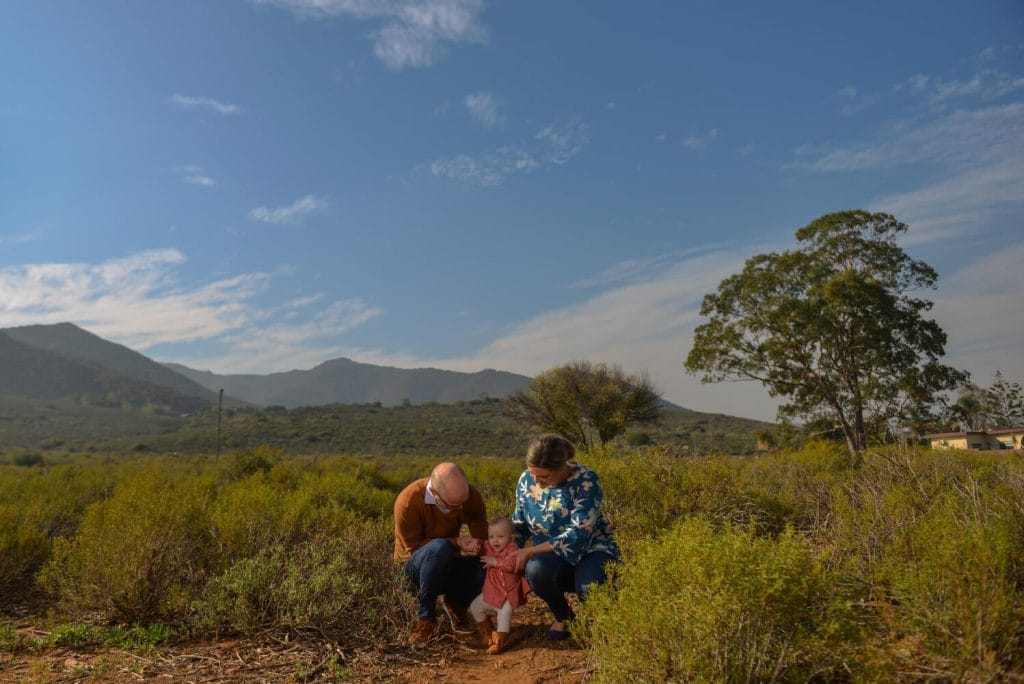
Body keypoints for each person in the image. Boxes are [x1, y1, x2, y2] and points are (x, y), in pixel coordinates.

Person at [511, 435, 619, 640]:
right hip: (552, 557)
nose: (536, 481)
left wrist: (530, 550)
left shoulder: (585, 479)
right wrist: (510, 552)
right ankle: (563, 617)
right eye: (533, 474)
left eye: (543, 476)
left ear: (561, 468)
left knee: (589, 587)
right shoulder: (526, 480)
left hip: (592, 550)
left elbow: (579, 534)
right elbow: (519, 524)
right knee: (535, 570)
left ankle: (603, 623)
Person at [394, 462, 488, 644]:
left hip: (447, 563)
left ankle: (457, 604)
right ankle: (426, 620)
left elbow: (483, 538)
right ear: (435, 495)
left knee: (487, 563)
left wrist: (480, 547)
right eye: (454, 506)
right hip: (412, 570)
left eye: (463, 502)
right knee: (439, 549)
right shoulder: (409, 501)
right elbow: (414, 551)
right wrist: (457, 542)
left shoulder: (470, 497)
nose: (460, 509)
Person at [469, 516, 531, 655]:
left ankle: (499, 642)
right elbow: (481, 546)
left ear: (512, 537)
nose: (495, 540)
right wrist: (475, 546)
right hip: (491, 593)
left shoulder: (513, 549)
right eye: (491, 536)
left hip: (507, 596)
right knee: (475, 607)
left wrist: (495, 562)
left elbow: (512, 565)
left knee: (503, 617)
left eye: (500, 536)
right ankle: (488, 633)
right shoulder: (489, 547)